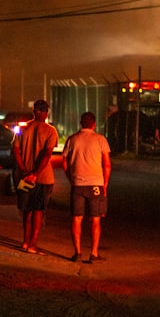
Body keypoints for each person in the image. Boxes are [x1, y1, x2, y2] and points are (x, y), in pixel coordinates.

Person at [63, 111, 111, 263]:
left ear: (81, 124)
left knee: (76, 219)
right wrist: (105, 183)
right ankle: (94, 253)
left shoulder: (72, 139)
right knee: (95, 220)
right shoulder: (100, 139)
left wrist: (70, 177)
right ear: (94, 124)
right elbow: (107, 164)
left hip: (77, 183)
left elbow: (64, 161)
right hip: (95, 184)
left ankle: (77, 253)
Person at [12, 99, 57, 253]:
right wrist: (36, 173)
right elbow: (47, 155)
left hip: (23, 177)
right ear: (46, 112)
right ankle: (33, 244)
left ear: (33, 111)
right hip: (42, 178)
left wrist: (25, 170)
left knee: (27, 210)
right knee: (38, 211)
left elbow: (16, 151)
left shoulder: (22, 128)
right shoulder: (50, 131)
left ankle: (25, 241)